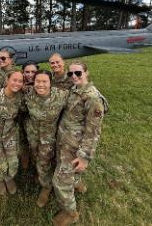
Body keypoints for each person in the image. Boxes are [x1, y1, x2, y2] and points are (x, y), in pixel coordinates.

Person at [52, 60, 108, 226]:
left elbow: (93, 131)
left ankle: (71, 213)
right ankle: (77, 183)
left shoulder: (92, 98)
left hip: (75, 146)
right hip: (64, 140)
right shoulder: (74, 89)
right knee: (69, 172)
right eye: (71, 73)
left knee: (59, 181)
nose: (74, 76)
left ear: (86, 73)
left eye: (78, 73)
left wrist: (84, 158)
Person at [24, 70, 69, 208]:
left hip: (48, 137)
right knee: (36, 157)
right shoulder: (27, 93)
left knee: (44, 160)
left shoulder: (61, 95)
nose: (41, 84)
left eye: (44, 81)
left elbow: (81, 101)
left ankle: (46, 186)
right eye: (38, 81)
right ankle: (43, 176)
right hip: (32, 134)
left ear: (51, 83)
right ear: (33, 82)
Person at [19, 61, 39, 169]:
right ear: (23, 72)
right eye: (27, 72)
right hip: (21, 117)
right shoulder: (18, 82)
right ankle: (25, 155)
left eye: (33, 71)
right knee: (22, 138)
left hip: (35, 118)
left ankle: (34, 157)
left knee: (35, 141)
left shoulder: (41, 82)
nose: (30, 74)